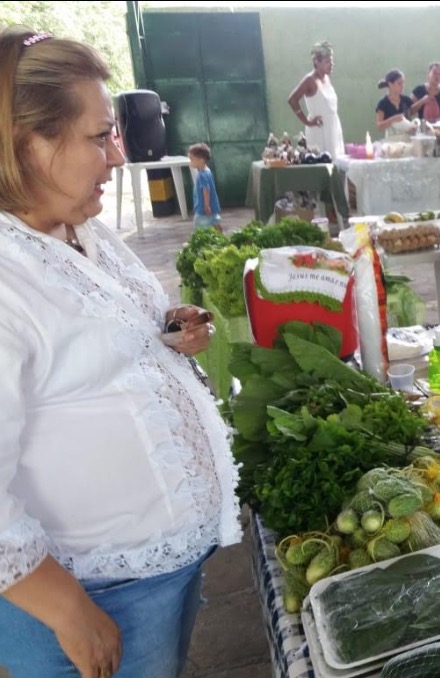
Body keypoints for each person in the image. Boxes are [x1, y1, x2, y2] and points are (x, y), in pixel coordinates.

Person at [0, 26, 242, 677]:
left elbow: (109, 330)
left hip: (157, 575)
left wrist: (171, 327)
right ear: (28, 143)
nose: (121, 154)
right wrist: (66, 609)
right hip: (84, 598)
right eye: (100, 134)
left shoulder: (84, 228)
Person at [287, 41, 345, 157]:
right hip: (318, 130)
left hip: (333, 128)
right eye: (327, 62)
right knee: (322, 163)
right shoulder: (309, 80)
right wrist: (307, 122)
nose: (331, 64)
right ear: (316, 62)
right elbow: (292, 100)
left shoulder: (327, 78)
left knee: (337, 164)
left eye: (332, 61)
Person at [187, 142, 222, 232]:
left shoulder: (202, 174)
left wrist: (206, 206)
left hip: (203, 207)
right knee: (215, 222)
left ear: (201, 160)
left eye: (192, 159)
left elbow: (206, 190)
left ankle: (201, 242)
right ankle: (222, 238)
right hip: (213, 206)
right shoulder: (207, 171)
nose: (190, 161)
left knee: (198, 225)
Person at [375, 69, 415, 137]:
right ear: (390, 84)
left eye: (403, 83)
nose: (402, 86)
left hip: (407, 138)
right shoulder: (383, 103)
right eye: (399, 83)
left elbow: (409, 118)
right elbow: (379, 127)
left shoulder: (406, 100)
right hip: (391, 140)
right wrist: (393, 119)